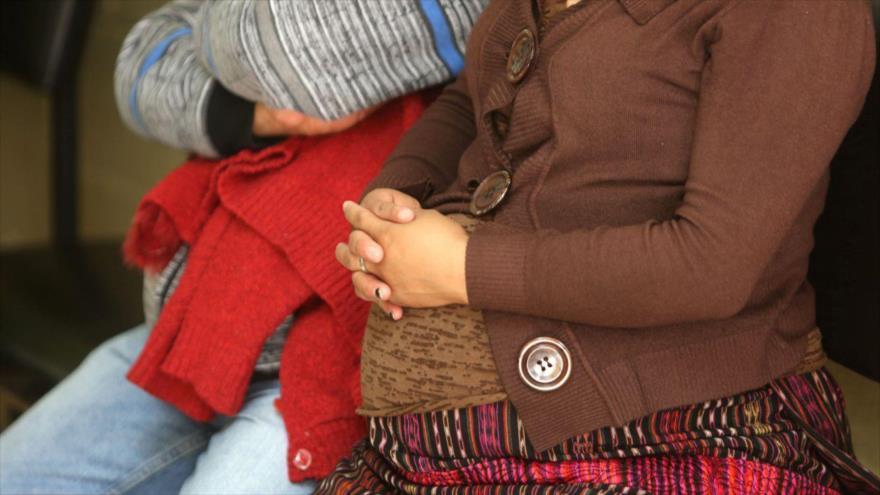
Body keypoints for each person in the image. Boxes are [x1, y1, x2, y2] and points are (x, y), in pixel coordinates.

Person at [328, 0, 880, 493]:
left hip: (669, 442)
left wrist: (460, 268)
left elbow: (709, 265)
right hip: (415, 460)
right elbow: (469, 92)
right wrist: (392, 202)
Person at [0, 1, 486, 494]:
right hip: (196, 331)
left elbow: (284, 48)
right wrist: (252, 112)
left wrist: (214, 31)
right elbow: (138, 65)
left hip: (331, 374)